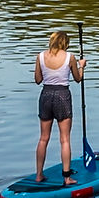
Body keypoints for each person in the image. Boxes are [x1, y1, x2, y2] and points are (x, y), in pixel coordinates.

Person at [33, 30, 84, 183]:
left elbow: (37, 80)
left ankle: (39, 175)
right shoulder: (70, 57)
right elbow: (78, 79)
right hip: (62, 96)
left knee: (43, 138)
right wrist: (81, 66)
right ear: (65, 43)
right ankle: (67, 177)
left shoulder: (40, 56)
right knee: (65, 139)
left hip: (46, 95)